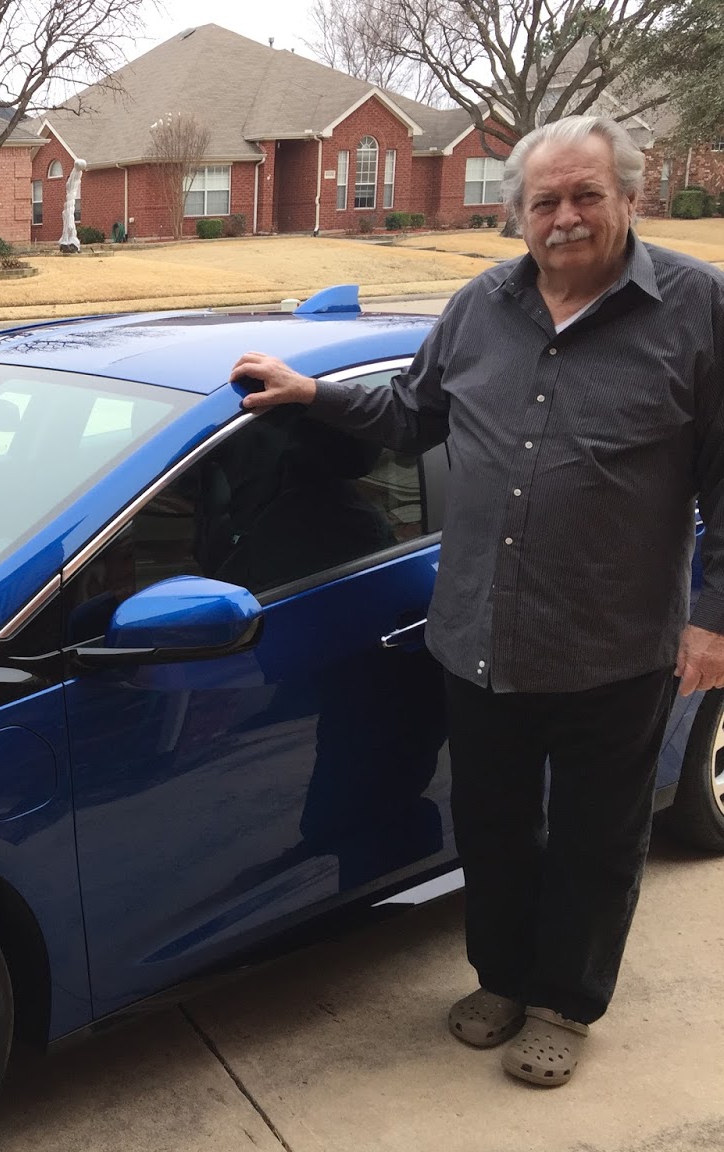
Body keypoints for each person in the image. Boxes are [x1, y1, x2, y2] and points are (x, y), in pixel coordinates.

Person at [228, 114, 724, 1088]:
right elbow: (411, 413)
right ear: (518, 214)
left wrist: (713, 616)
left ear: (630, 197)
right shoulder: (479, 308)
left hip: (617, 646)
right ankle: (501, 979)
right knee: (493, 830)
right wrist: (312, 394)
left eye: (585, 195)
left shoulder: (698, 309)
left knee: (595, 841)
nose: (565, 216)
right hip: (480, 637)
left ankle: (564, 1004)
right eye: (545, 200)